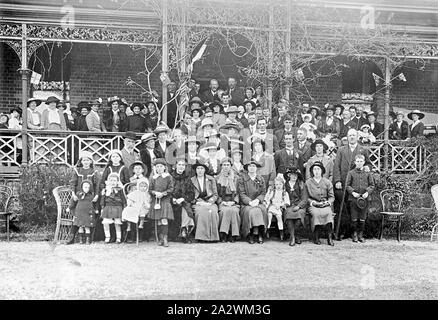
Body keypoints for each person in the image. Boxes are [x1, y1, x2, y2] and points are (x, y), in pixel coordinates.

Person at [333, 129, 370, 241]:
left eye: (354, 135)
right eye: (350, 135)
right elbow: (336, 166)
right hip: (344, 184)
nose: (352, 137)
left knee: (356, 208)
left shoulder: (363, 149)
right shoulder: (341, 149)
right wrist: (337, 180)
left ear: (357, 137)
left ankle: (356, 232)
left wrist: (368, 167)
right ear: (347, 137)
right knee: (343, 208)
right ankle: (342, 232)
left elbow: (368, 163)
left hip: (358, 185)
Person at [304, 161, 335, 246]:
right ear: (312, 171)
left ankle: (329, 236)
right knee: (316, 213)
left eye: (318, 169)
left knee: (328, 213)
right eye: (314, 169)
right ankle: (316, 236)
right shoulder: (308, 182)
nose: (316, 171)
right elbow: (305, 197)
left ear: (322, 171)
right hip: (313, 205)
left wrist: (328, 202)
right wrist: (313, 203)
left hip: (324, 204)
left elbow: (332, 197)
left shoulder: (327, 182)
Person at [346, 154, 375, 243]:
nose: (359, 163)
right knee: (354, 217)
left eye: (361, 161)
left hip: (365, 199)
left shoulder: (368, 173)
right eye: (357, 161)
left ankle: (360, 234)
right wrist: (353, 192)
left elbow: (372, 185)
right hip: (354, 199)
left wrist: (367, 192)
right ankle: (354, 234)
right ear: (355, 162)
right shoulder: (351, 173)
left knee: (362, 217)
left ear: (364, 162)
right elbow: (347, 185)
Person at [238, 159, 268, 244]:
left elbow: (263, 192)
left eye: (254, 166)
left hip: (258, 202)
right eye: (250, 166)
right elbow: (242, 193)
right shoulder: (242, 179)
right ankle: (250, 233)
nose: (252, 168)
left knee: (261, 210)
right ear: (247, 168)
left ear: (256, 168)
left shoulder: (260, 179)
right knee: (250, 211)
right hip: (246, 203)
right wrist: (249, 202)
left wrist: (258, 200)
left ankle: (260, 233)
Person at [191, 160, 220, 242]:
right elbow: (190, 195)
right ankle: (201, 237)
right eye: (198, 168)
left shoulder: (211, 179)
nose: (200, 170)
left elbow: (215, 194)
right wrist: (197, 202)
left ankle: (213, 237)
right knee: (201, 212)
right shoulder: (192, 180)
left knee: (213, 211)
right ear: (195, 170)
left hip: (209, 202)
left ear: (205, 170)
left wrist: (210, 201)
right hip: (198, 202)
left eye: (202, 168)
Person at [149, 158, 174, 247]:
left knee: (164, 219)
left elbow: (171, 189)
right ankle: (160, 238)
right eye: (157, 167)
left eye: (161, 166)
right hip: (156, 201)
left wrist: (163, 194)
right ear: (155, 168)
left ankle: (165, 238)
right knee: (159, 220)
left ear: (164, 167)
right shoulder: (153, 177)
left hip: (165, 201)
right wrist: (155, 193)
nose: (159, 168)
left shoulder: (168, 177)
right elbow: (150, 189)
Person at [171, 158, 196, 243]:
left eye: (183, 165)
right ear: (175, 166)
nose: (181, 167)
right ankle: (179, 232)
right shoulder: (170, 177)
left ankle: (184, 231)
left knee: (186, 209)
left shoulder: (187, 178)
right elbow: (168, 190)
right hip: (172, 201)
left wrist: (183, 198)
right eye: (179, 165)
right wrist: (173, 199)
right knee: (179, 208)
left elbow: (191, 193)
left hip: (184, 201)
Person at [216, 157, 241, 243]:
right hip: (222, 200)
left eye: (228, 165)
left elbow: (239, 192)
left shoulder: (237, 178)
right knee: (225, 210)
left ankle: (233, 234)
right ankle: (223, 234)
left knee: (234, 211)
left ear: (231, 166)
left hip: (233, 201)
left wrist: (234, 201)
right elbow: (216, 193)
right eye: (224, 165)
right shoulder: (217, 178)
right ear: (221, 166)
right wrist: (222, 202)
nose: (226, 167)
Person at [66, 180, 98, 245]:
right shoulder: (78, 194)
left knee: (87, 226)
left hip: (88, 212)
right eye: (85, 187)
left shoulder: (91, 196)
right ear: (82, 187)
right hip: (79, 212)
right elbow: (73, 201)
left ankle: (87, 240)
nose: (87, 189)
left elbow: (95, 204)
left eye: (88, 187)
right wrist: (69, 207)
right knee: (80, 226)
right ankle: (80, 240)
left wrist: (96, 209)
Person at [122, 178, 151, 243]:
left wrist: (147, 205)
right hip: (135, 206)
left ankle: (141, 223)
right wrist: (130, 203)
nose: (143, 188)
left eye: (144, 186)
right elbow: (130, 198)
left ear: (147, 187)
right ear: (138, 186)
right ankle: (129, 225)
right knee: (127, 211)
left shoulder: (147, 194)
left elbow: (148, 203)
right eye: (141, 186)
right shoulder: (135, 193)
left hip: (143, 208)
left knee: (142, 212)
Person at [100, 172, 126, 243]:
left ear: (117, 181)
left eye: (114, 180)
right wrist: (102, 207)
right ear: (108, 181)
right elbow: (103, 199)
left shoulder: (120, 190)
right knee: (105, 223)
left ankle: (118, 238)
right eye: (111, 180)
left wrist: (124, 207)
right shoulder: (106, 190)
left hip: (117, 207)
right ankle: (107, 237)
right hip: (108, 207)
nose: (113, 182)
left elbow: (123, 199)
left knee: (117, 223)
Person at [284, 167, 307, 246]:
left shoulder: (301, 184)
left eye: (296, 175)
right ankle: (293, 237)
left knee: (299, 216)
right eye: (292, 175)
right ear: (289, 175)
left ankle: (295, 234)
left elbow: (304, 198)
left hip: (299, 205)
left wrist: (299, 206)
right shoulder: (285, 184)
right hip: (288, 205)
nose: (294, 176)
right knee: (289, 215)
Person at [264, 176, 290, 241]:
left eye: (280, 184)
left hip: (279, 207)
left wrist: (281, 205)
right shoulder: (273, 192)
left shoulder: (284, 193)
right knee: (269, 215)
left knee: (279, 217)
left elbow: (286, 202)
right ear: (274, 185)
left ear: (283, 185)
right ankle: (268, 229)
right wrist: (267, 202)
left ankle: (281, 231)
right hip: (273, 206)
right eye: (277, 184)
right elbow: (267, 199)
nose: (278, 186)